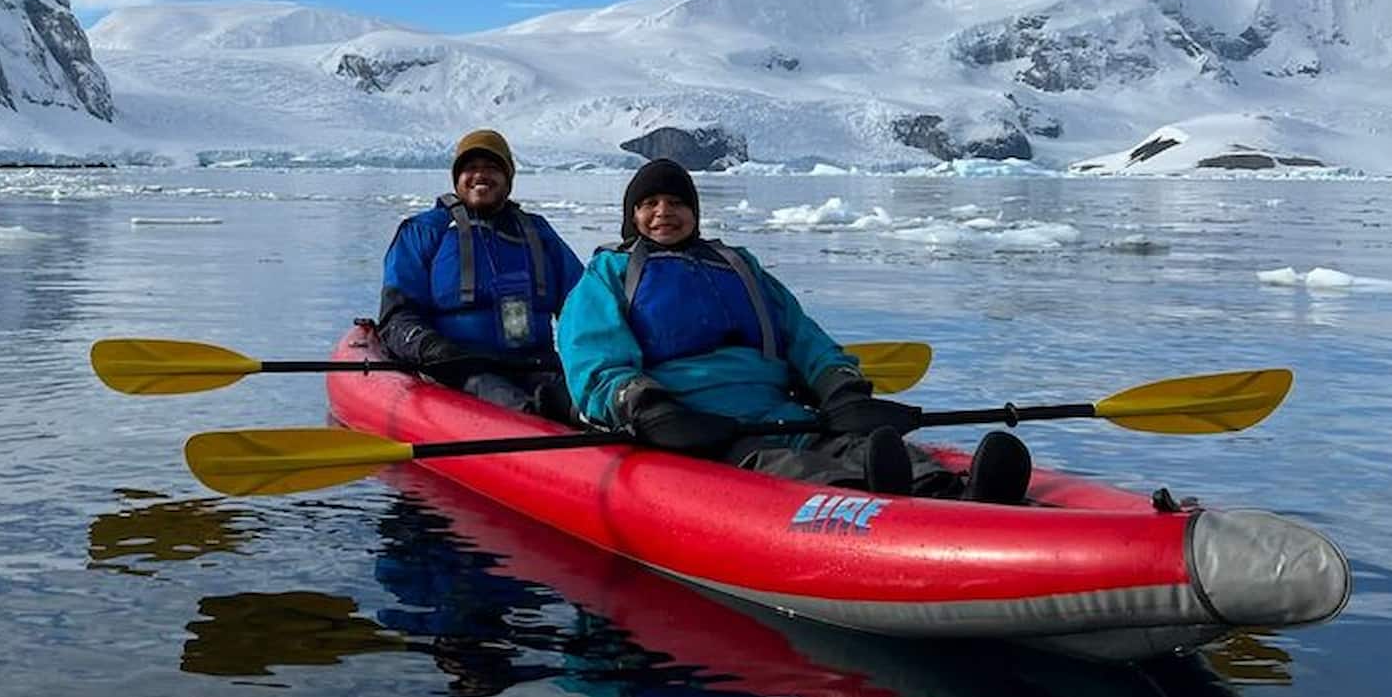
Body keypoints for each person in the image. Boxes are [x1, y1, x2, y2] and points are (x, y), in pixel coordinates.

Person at [555, 158, 1031, 502]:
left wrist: (839, 388)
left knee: (856, 443)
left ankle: (950, 489)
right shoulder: (609, 273)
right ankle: (864, 504)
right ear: (632, 215)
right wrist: (646, 405)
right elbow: (594, 358)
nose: (664, 212)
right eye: (650, 203)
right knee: (787, 465)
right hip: (696, 424)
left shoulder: (737, 265)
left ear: (695, 213)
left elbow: (802, 335)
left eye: (677, 202)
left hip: (780, 410)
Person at [379, 129, 584, 418]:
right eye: (470, 168)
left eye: (491, 168)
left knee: (581, 408)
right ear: (457, 178)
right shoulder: (424, 232)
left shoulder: (538, 233)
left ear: (508, 178)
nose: (480, 176)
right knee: (520, 409)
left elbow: (584, 307)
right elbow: (396, 318)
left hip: (536, 366)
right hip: (460, 370)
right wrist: (434, 350)